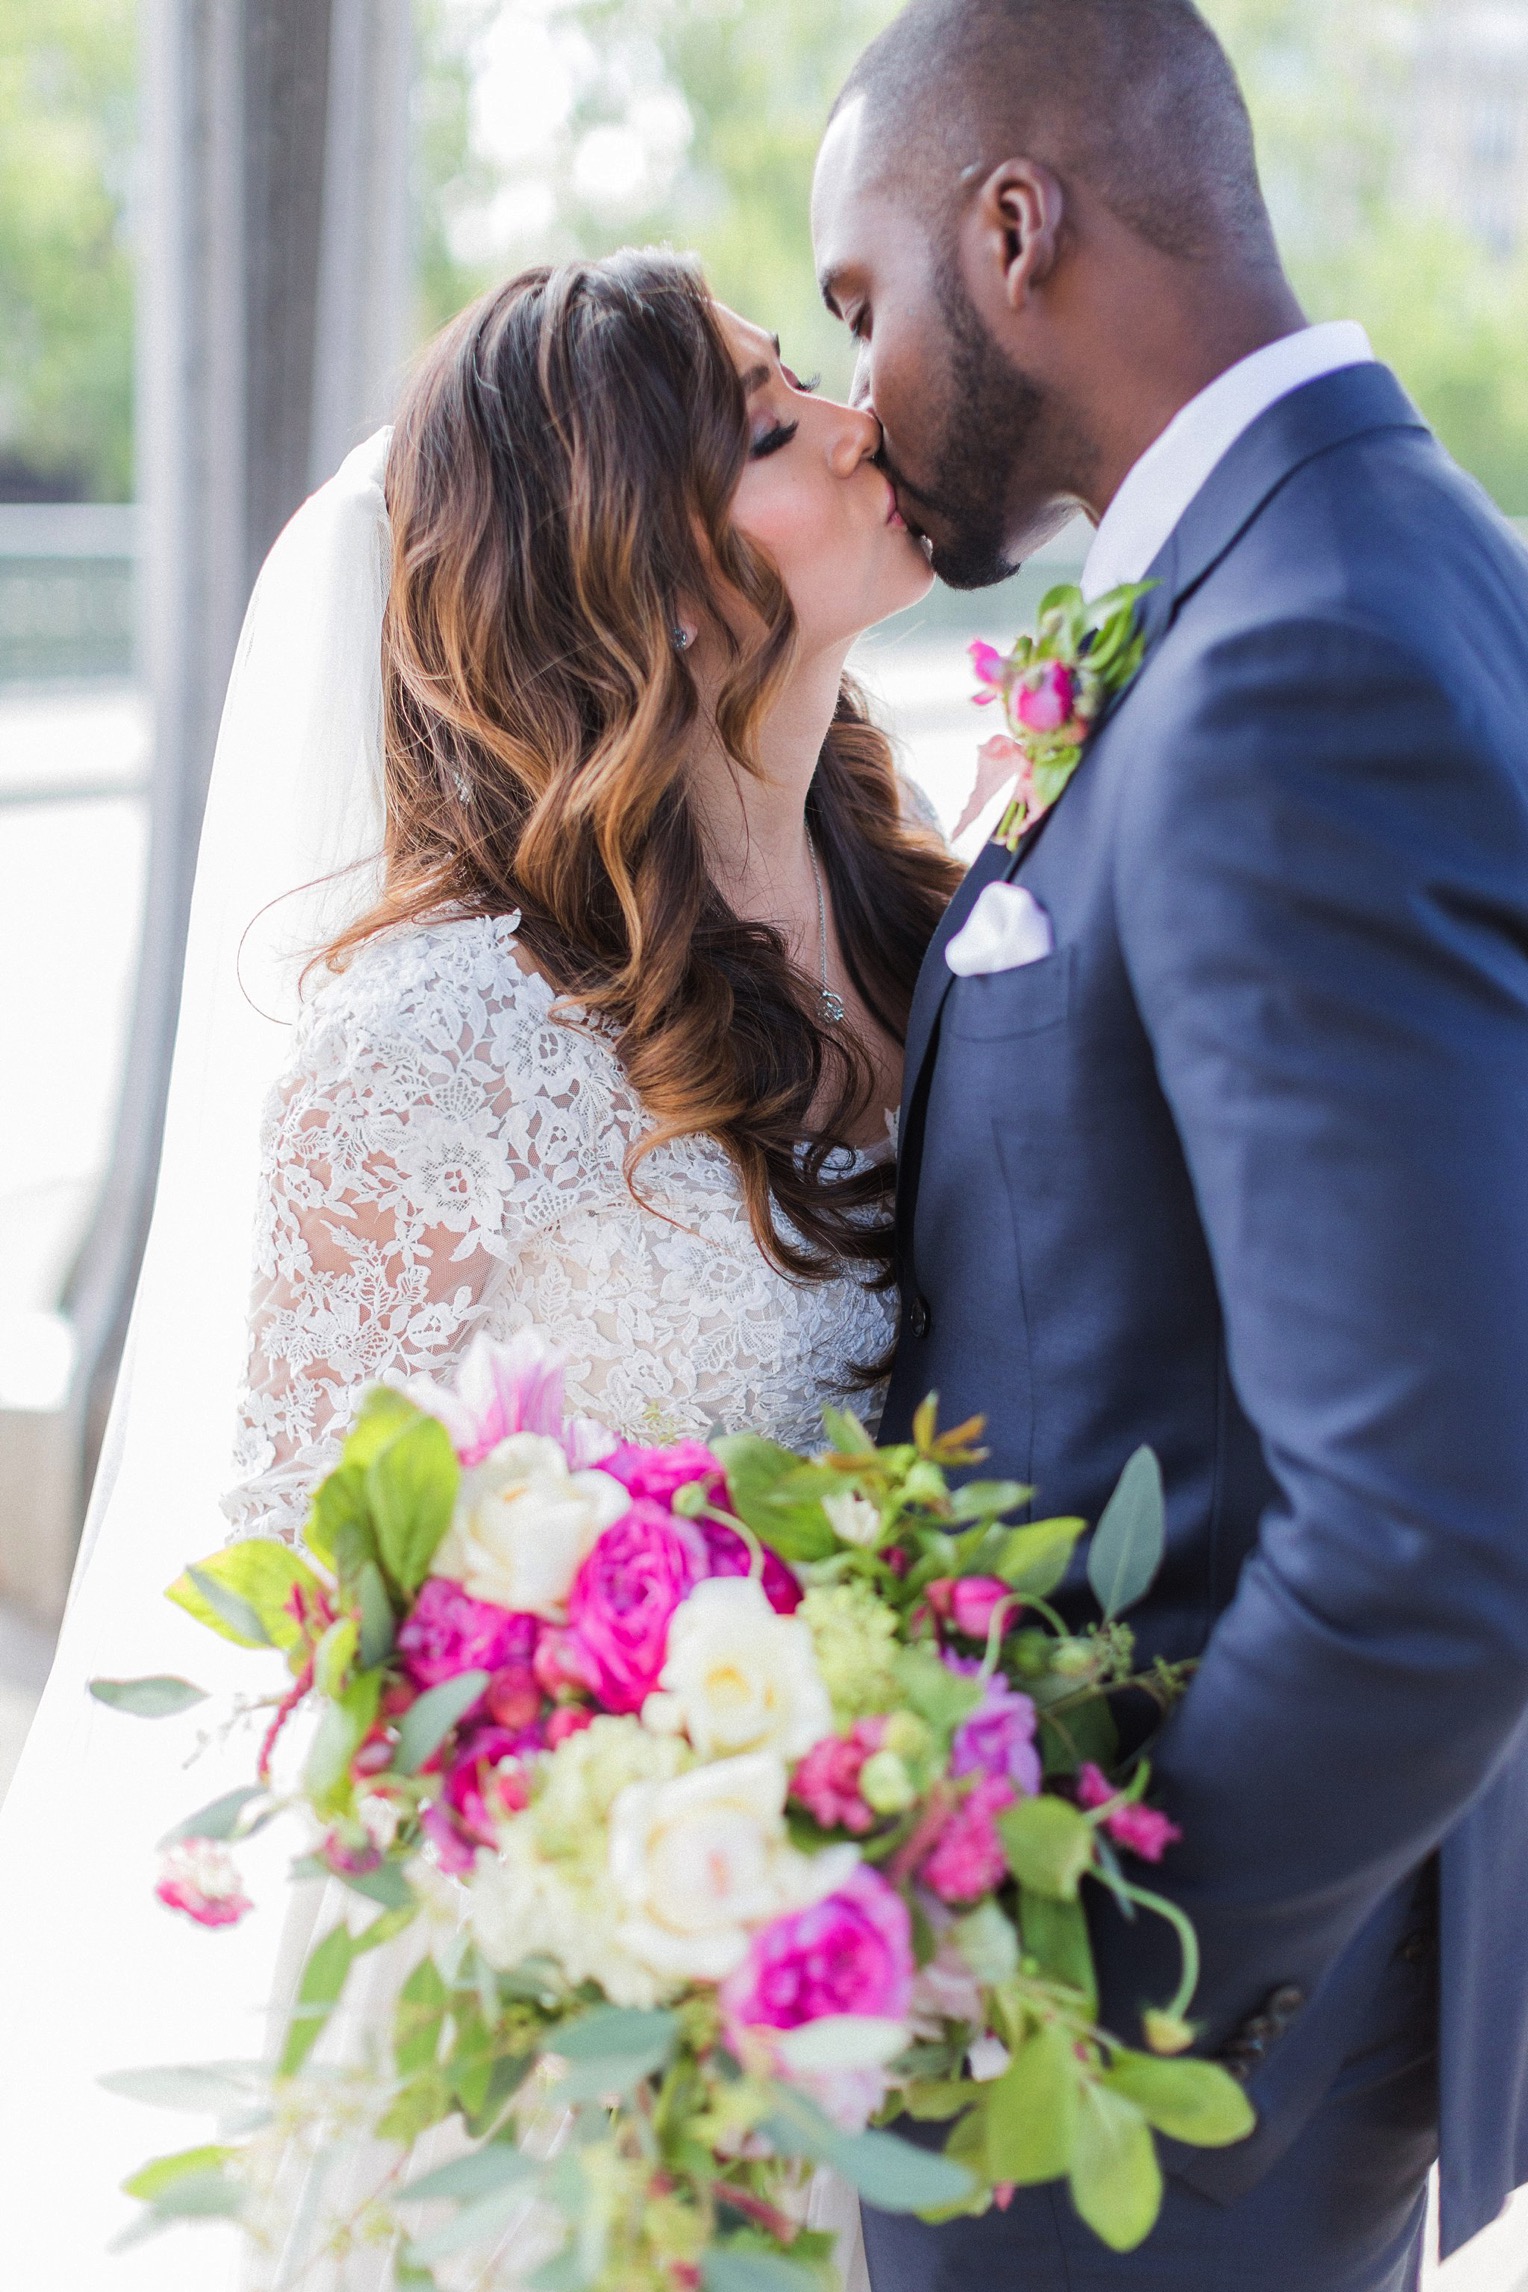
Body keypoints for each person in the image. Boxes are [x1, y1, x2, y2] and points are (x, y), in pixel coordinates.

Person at [0, 249, 955, 2289]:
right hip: (572, 2041)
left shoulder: (923, 921)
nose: (866, 421)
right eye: (777, 427)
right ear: (658, 576)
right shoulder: (434, 1054)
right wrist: (632, 1823)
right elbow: (322, 1630)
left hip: (901, 1978)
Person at [810, 3, 1528, 2289]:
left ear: (1010, 231)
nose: (858, 393)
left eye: (859, 303)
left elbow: (1429, 1535)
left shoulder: (1290, 663)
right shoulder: (1370, 564)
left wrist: (1077, 2000)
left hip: (1154, 2097)